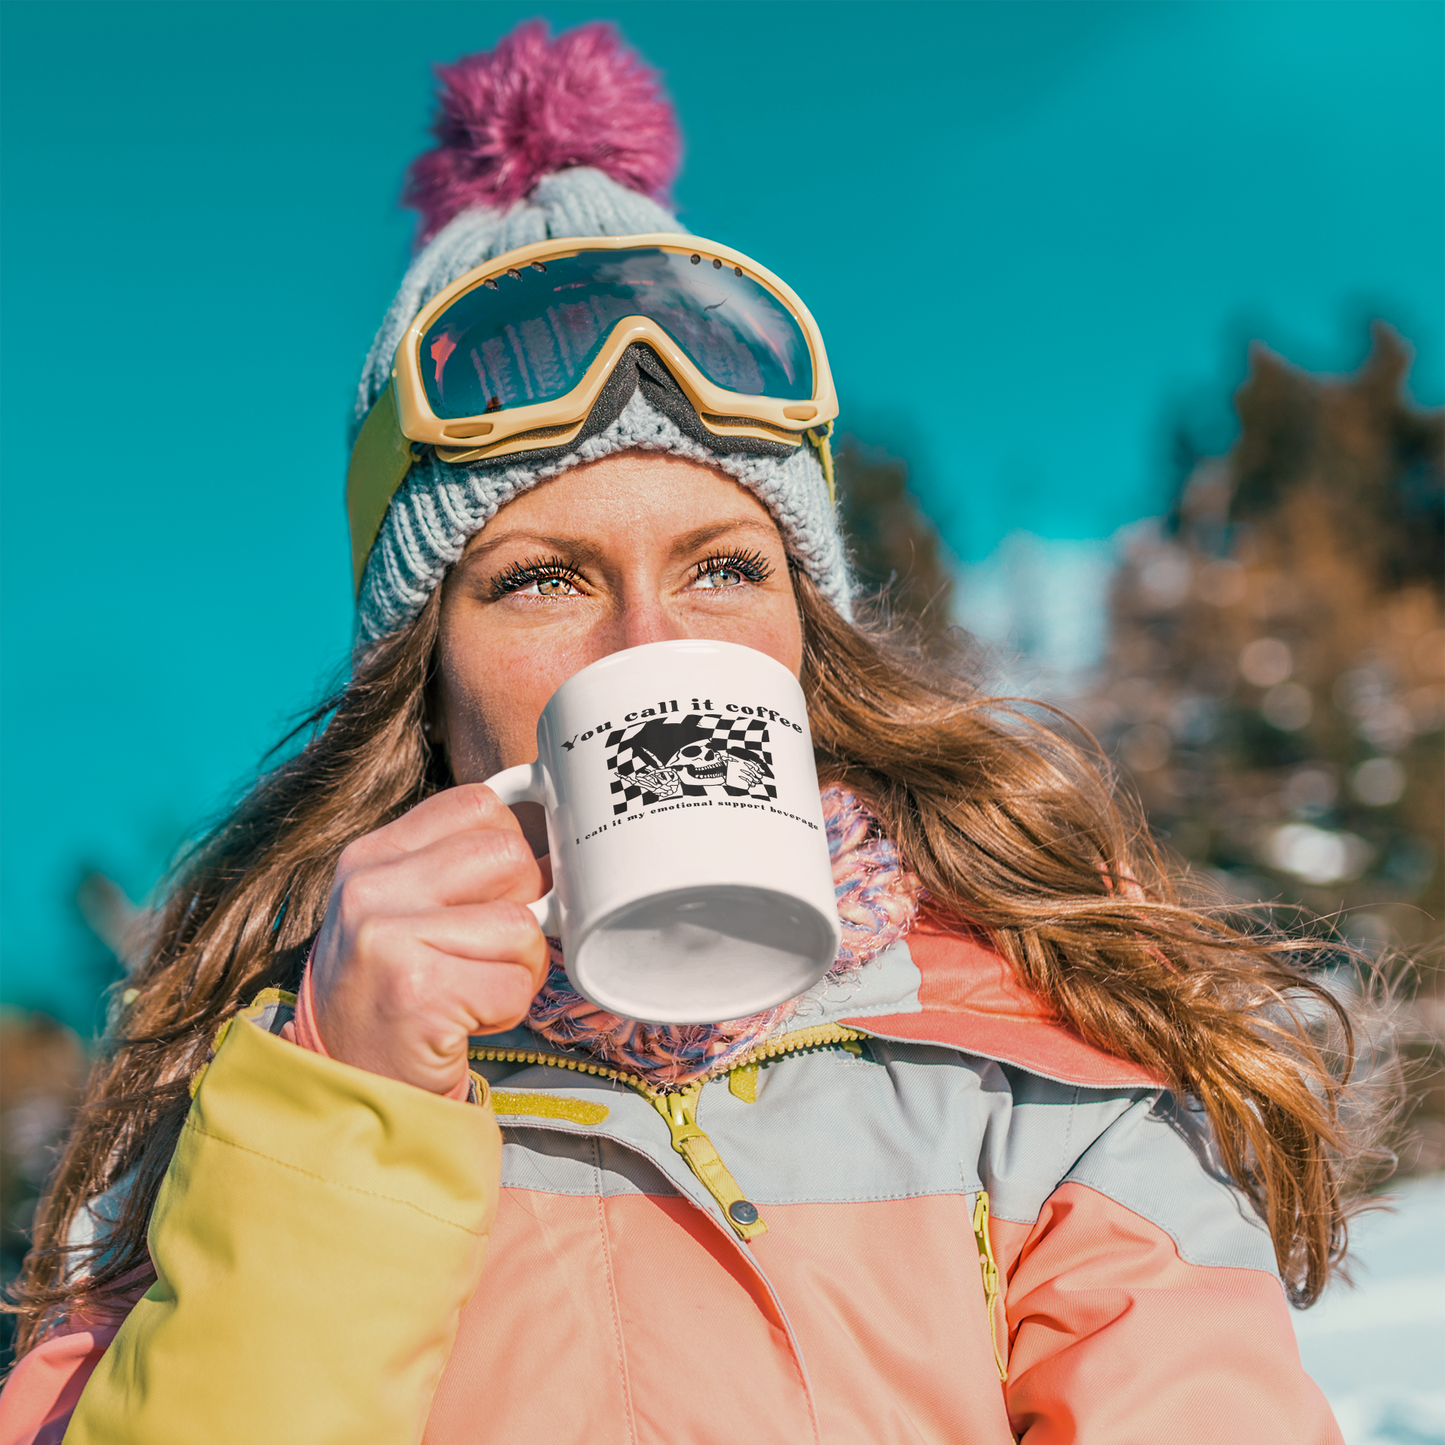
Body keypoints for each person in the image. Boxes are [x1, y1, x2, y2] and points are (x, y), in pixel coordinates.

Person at [0, 21, 1381, 1445]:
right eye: (540, 580)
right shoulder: (235, 1126)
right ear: (423, 677)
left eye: (723, 567)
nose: (652, 650)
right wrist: (345, 1112)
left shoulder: (1038, 1075)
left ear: (806, 634)